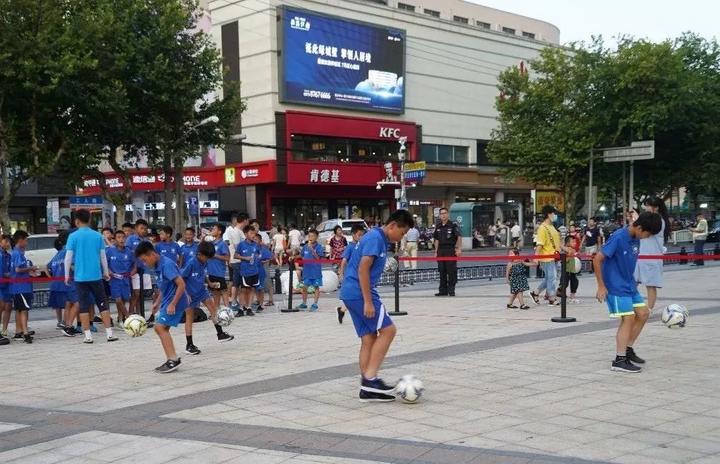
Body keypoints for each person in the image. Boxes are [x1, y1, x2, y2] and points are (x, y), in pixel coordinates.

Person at [340, 210, 414, 402]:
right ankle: (371, 379)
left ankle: (367, 389)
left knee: (369, 337)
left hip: (350, 291)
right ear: (392, 226)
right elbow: (363, 268)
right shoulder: (376, 238)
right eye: (402, 232)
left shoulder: (375, 237)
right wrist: (367, 301)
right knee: (389, 330)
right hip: (359, 292)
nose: (402, 237)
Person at [593, 212, 662, 373]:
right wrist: (601, 286)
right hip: (615, 286)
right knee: (628, 318)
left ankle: (628, 349)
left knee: (643, 313)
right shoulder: (618, 237)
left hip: (629, 285)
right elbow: (597, 259)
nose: (647, 237)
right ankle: (619, 360)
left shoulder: (636, 236)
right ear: (639, 227)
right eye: (647, 233)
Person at [64, 209, 117, 344]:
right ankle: (109, 334)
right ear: (89, 220)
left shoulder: (73, 236)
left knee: (83, 306)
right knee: (102, 304)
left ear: (76, 221)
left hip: (80, 277)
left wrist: (66, 275)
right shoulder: (97, 236)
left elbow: (68, 258)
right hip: (96, 276)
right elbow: (103, 256)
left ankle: (87, 336)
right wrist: (106, 272)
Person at [135, 241, 188, 373]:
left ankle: (173, 359)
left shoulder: (166, 265)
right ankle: (171, 359)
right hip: (167, 301)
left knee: (159, 328)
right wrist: (157, 302)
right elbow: (164, 286)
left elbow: (181, 284)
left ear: (152, 254)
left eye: (144, 260)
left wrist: (173, 304)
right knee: (162, 328)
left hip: (175, 301)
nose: (144, 263)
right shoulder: (158, 265)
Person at [181, 240, 235, 355]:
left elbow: (203, 274)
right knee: (189, 317)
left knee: (213, 308)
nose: (208, 260)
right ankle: (189, 344)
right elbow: (181, 279)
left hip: (201, 290)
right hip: (189, 293)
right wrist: (185, 294)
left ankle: (220, 334)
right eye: (207, 257)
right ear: (200, 254)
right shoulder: (191, 263)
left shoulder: (204, 262)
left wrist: (210, 284)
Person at [634, 197, 670, 311]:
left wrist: (637, 219)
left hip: (652, 257)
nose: (646, 207)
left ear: (656, 207)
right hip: (641, 256)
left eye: (648, 205)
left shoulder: (659, 220)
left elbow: (647, 230)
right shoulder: (648, 218)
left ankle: (649, 309)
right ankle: (632, 305)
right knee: (633, 282)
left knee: (650, 285)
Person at [530, 205, 562, 306]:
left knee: (549, 278)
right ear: (549, 214)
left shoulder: (552, 226)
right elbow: (540, 244)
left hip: (554, 256)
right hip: (547, 257)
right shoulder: (542, 228)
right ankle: (552, 298)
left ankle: (535, 293)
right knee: (552, 278)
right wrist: (536, 258)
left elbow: (557, 243)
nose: (555, 215)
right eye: (554, 213)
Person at [10, 230, 36, 343]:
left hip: (18, 286)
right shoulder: (17, 253)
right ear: (20, 240)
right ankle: (25, 333)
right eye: (25, 240)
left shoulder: (16, 252)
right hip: (21, 286)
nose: (26, 243)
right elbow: (18, 269)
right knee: (24, 310)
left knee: (19, 310)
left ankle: (19, 331)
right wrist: (31, 268)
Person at [337, 225, 366, 324]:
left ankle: (342, 310)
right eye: (359, 235)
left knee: (357, 296)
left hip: (360, 274)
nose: (361, 237)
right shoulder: (350, 247)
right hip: (351, 275)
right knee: (354, 296)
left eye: (363, 235)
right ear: (353, 235)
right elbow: (344, 260)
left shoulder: (362, 246)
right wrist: (341, 273)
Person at [106, 230, 134, 325]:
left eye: (123, 237)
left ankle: (120, 318)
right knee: (118, 300)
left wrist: (131, 273)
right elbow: (104, 264)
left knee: (124, 299)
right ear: (115, 239)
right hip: (114, 280)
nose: (121, 239)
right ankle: (128, 317)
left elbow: (135, 265)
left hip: (125, 279)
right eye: (119, 237)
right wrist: (109, 272)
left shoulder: (129, 251)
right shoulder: (110, 251)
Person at [433, 208, 462, 297]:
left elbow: (459, 237)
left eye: (445, 213)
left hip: (450, 250)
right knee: (441, 270)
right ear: (439, 215)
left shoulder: (453, 225)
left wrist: (458, 249)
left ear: (448, 214)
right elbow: (436, 239)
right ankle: (443, 290)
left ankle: (451, 290)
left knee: (451, 271)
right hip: (441, 250)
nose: (443, 215)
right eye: (441, 214)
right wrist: (435, 251)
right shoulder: (438, 226)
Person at [126, 219, 151, 316]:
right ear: (136, 228)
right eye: (141, 228)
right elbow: (128, 254)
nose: (144, 230)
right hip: (134, 270)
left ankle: (140, 315)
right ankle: (130, 314)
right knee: (136, 293)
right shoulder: (130, 239)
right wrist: (133, 267)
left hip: (145, 270)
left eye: (145, 229)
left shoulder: (146, 241)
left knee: (141, 294)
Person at [234, 225, 260, 317]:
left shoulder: (256, 244)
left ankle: (249, 308)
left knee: (252, 289)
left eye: (254, 233)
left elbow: (259, 254)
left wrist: (258, 257)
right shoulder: (241, 245)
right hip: (245, 271)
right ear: (245, 234)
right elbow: (235, 256)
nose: (253, 235)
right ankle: (241, 308)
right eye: (251, 233)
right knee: (243, 290)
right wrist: (245, 258)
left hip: (255, 270)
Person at [224, 213, 248, 310]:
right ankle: (233, 301)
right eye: (247, 220)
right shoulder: (236, 232)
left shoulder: (239, 231)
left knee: (238, 282)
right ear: (245, 220)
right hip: (237, 260)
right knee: (236, 282)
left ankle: (238, 301)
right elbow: (237, 247)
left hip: (239, 260)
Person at [297, 229, 325, 311]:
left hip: (316, 271)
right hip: (307, 271)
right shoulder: (305, 246)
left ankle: (315, 304)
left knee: (316, 287)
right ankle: (304, 303)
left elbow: (318, 258)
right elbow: (301, 255)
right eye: (309, 236)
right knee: (305, 287)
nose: (310, 237)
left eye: (312, 236)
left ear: (316, 237)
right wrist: (294, 257)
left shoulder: (319, 247)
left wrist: (312, 249)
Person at [47, 238, 69, 329]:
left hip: (54, 284)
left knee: (57, 305)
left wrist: (50, 278)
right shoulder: (66, 252)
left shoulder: (56, 255)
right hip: (64, 284)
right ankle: (64, 322)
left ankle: (59, 322)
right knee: (68, 303)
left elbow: (46, 267)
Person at [208, 223, 231, 310]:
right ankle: (216, 310)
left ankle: (227, 309)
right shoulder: (211, 243)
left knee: (223, 290)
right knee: (215, 291)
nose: (212, 231)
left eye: (214, 229)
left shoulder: (222, 244)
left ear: (219, 232)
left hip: (219, 272)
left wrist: (215, 255)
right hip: (211, 271)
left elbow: (227, 257)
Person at [253, 233, 274, 310]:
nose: (254, 241)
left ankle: (269, 300)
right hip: (254, 269)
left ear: (260, 240)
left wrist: (265, 261)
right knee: (256, 285)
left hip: (263, 268)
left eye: (256, 239)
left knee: (266, 283)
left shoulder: (263, 248)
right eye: (253, 239)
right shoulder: (252, 248)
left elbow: (271, 257)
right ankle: (258, 300)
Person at [559, 235, 581, 303]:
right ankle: (559, 293)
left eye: (575, 242)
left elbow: (570, 251)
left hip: (573, 270)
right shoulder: (565, 249)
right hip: (566, 270)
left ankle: (572, 297)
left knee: (574, 282)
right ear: (567, 243)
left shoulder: (572, 249)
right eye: (573, 242)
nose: (575, 243)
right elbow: (566, 250)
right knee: (564, 283)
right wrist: (561, 245)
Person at [0, 234, 13, 338]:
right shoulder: (0, 256)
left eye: (8, 241)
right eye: (5, 241)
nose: (8, 243)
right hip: (1, 285)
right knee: (1, 307)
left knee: (8, 307)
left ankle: (4, 330)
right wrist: (9, 274)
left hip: (9, 285)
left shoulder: (9, 255)